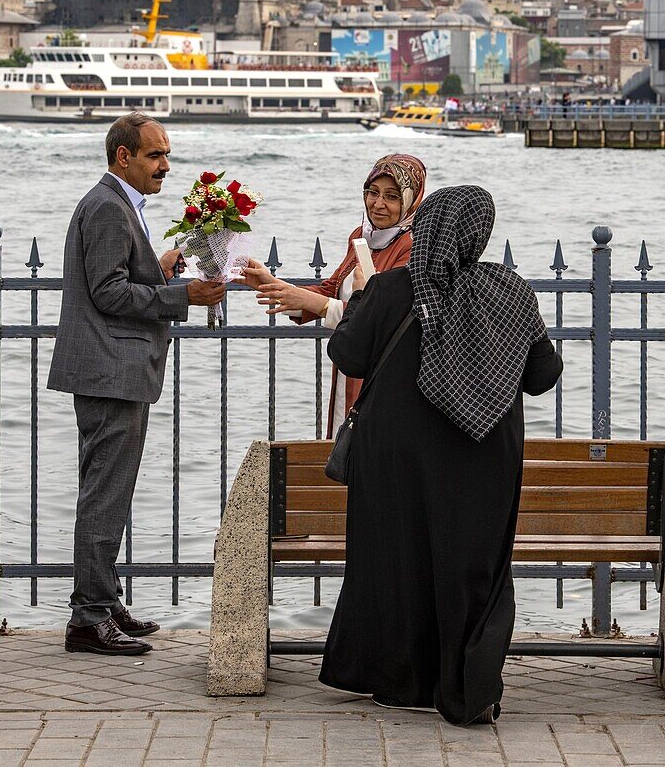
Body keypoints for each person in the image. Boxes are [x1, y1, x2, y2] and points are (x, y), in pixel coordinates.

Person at [318, 185, 563, 724]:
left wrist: (361, 295)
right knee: (470, 565)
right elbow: (544, 376)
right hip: (484, 457)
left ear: (424, 225)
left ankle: (399, 682)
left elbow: (346, 352)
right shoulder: (509, 290)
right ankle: (467, 683)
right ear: (479, 233)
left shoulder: (389, 289)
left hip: (394, 458)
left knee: (395, 559)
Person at [47, 112, 225, 656]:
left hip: (115, 370)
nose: (165, 166)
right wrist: (182, 298)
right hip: (110, 372)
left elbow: (125, 279)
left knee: (110, 494)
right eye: (155, 155)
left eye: (166, 155)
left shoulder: (120, 206)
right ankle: (88, 617)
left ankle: (104, 600)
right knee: (104, 495)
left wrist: (164, 266)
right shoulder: (106, 206)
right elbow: (108, 293)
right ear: (123, 156)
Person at [239, 153, 426, 437]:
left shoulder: (414, 246)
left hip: (387, 377)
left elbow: (387, 317)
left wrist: (321, 305)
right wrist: (270, 284)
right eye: (372, 192)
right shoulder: (361, 236)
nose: (378, 204)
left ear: (412, 201)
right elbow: (331, 289)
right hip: (349, 370)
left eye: (392, 196)